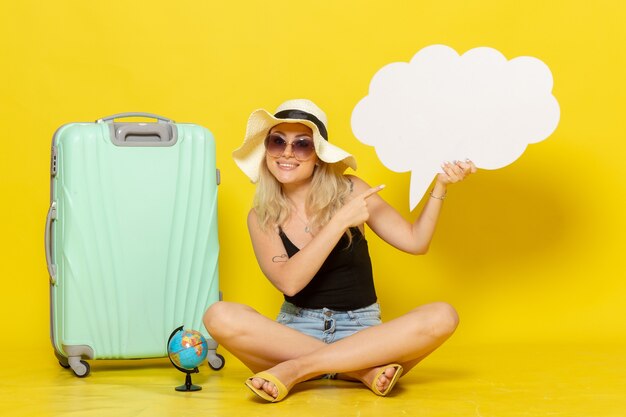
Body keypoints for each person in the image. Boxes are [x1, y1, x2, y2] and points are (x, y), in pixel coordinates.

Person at [203, 99, 477, 402]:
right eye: (277, 141)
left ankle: (296, 370)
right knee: (219, 315)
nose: (287, 153)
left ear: (319, 156)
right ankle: (359, 371)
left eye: (302, 145)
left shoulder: (351, 190)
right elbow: (290, 283)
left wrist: (440, 186)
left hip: (362, 332)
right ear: (267, 150)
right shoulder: (262, 215)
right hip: (293, 334)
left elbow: (416, 242)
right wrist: (339, 223)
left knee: (442, 315)